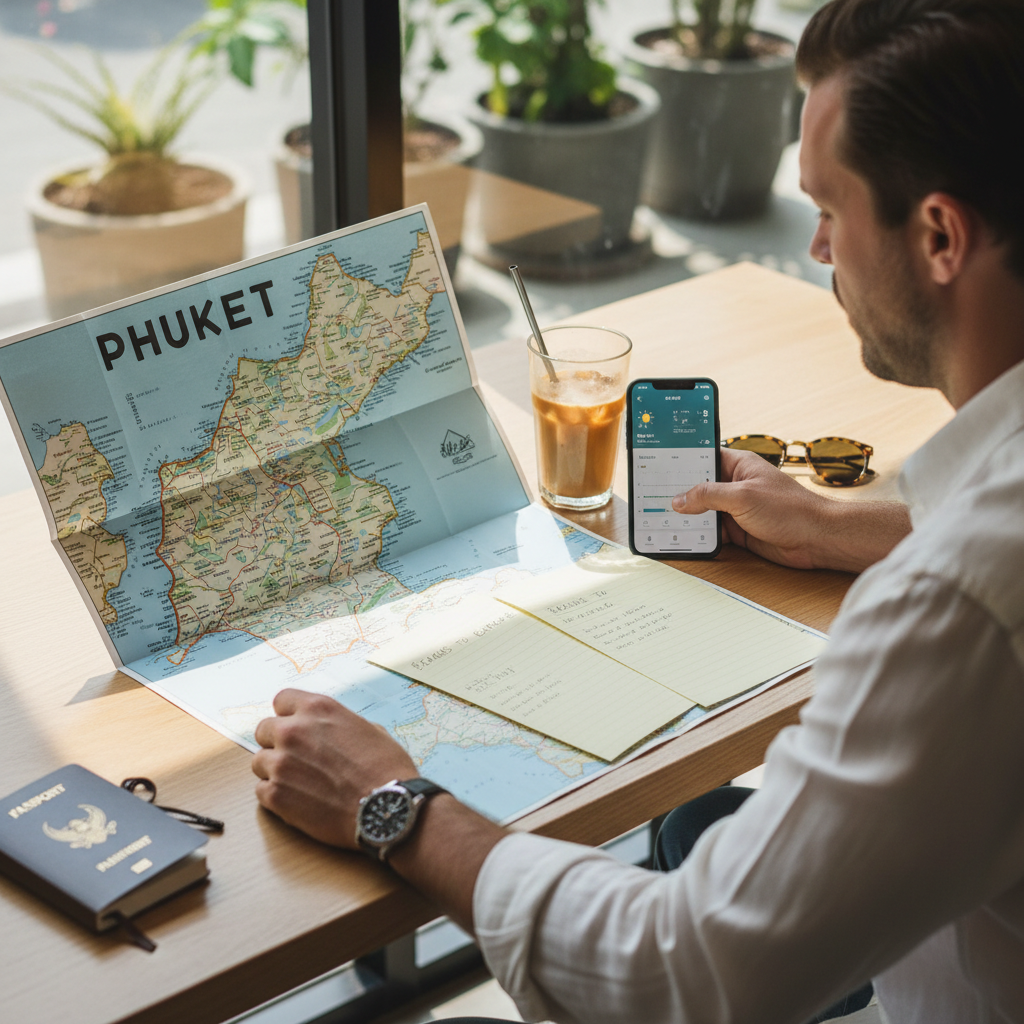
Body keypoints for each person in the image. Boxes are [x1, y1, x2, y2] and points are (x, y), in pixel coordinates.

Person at [250, 0, 1024, 1020]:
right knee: (703, 820)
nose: (817, 251)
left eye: (827, 211)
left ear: (936, 235)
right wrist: (856, 528)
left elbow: (683, 971)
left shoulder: (958, 606)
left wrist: (393, 805)